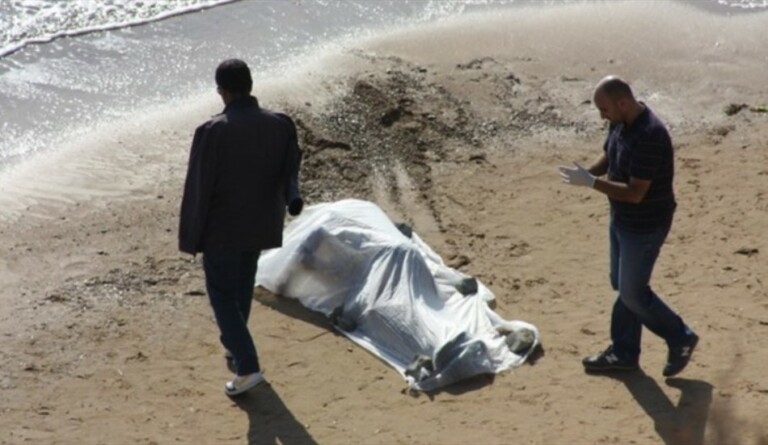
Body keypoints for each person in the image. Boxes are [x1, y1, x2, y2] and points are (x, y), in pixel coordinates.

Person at [559, 75, 698, 377]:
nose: (602, 116)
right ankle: (624, 352)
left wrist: (592, 183)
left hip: (645, 226)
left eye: (604, 110)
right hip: (621, 219)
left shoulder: (651, 135)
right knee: (621, 285)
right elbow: (609, 154)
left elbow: (636, 193)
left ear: (623, 102)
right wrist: (587, 173)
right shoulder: (621, 122)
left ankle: (680, 337)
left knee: (633, 292)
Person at [179, 58, 303, 396]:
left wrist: (193, 234)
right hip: (261, 221)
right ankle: (235, 345)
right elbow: (290, 170)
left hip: (223, 226)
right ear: (249, 85)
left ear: (223, 92)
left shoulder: (212, 131)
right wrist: (292, 199)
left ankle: (247, 366)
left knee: (221, 293)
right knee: (242, 285)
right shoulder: (280, 123)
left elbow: (199, 187)